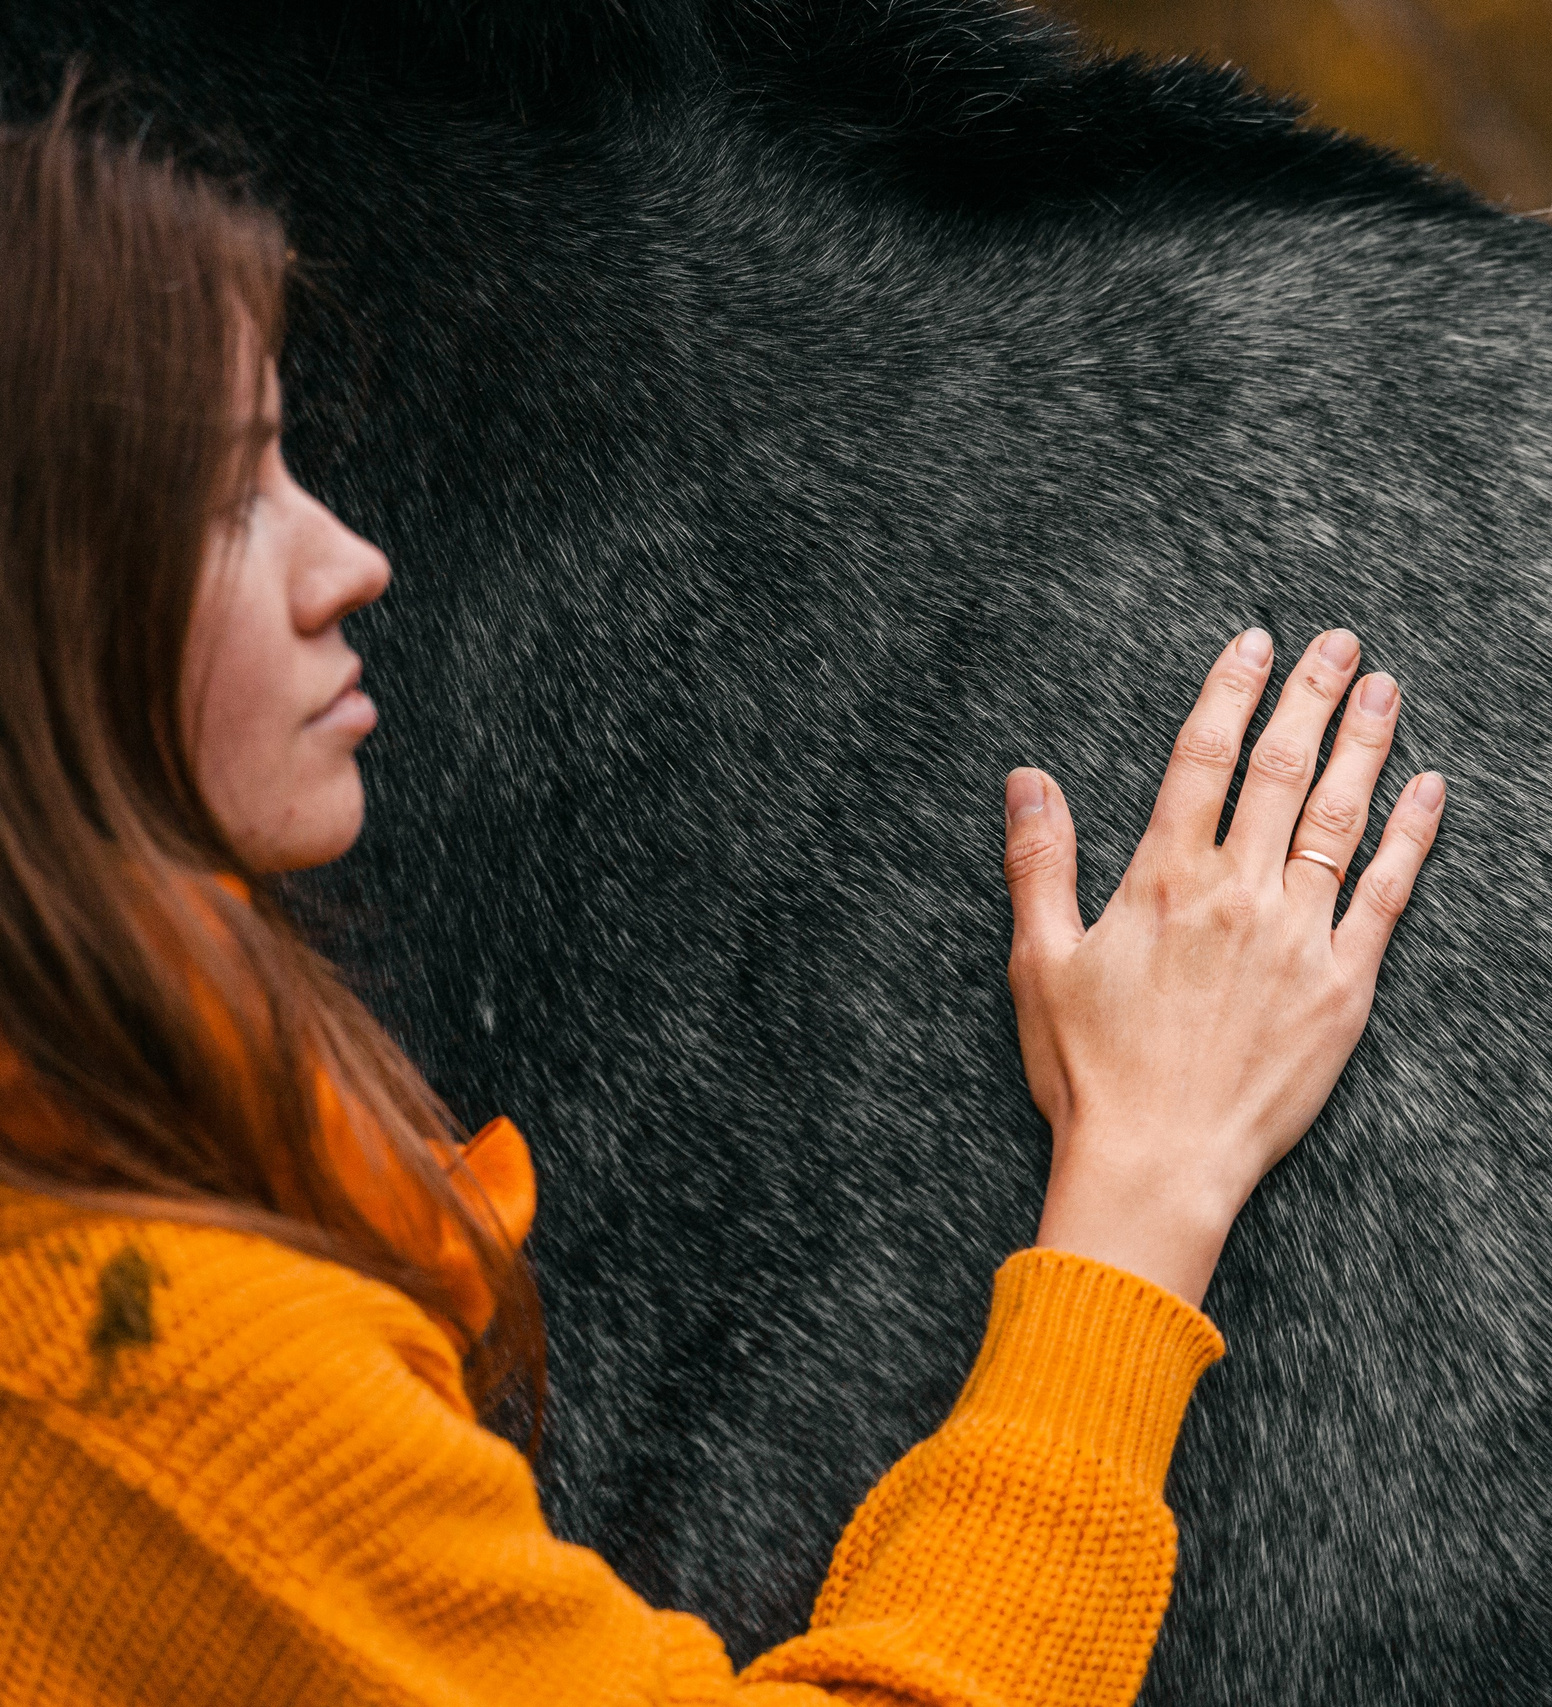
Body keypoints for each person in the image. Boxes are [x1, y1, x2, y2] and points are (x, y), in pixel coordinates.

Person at [0, 93, 1446, 1706]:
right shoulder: (138, 1367)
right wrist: (1145, 1188)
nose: (348, 566)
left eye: (290, 467)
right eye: (224, 501)